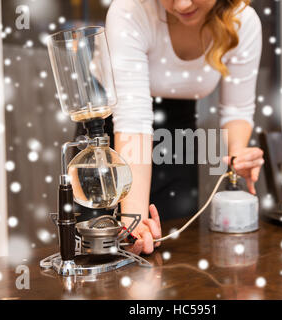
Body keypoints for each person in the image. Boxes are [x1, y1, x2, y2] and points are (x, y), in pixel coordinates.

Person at [104, 0, 264, 255]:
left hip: (178, 138)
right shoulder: (130, 9)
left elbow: (237, 110)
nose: (181, 4)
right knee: (109, 254)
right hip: (113, 137)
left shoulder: (243, 21)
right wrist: (133, 223)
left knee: (176, 255)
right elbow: (133, 119)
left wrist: (238, 153)